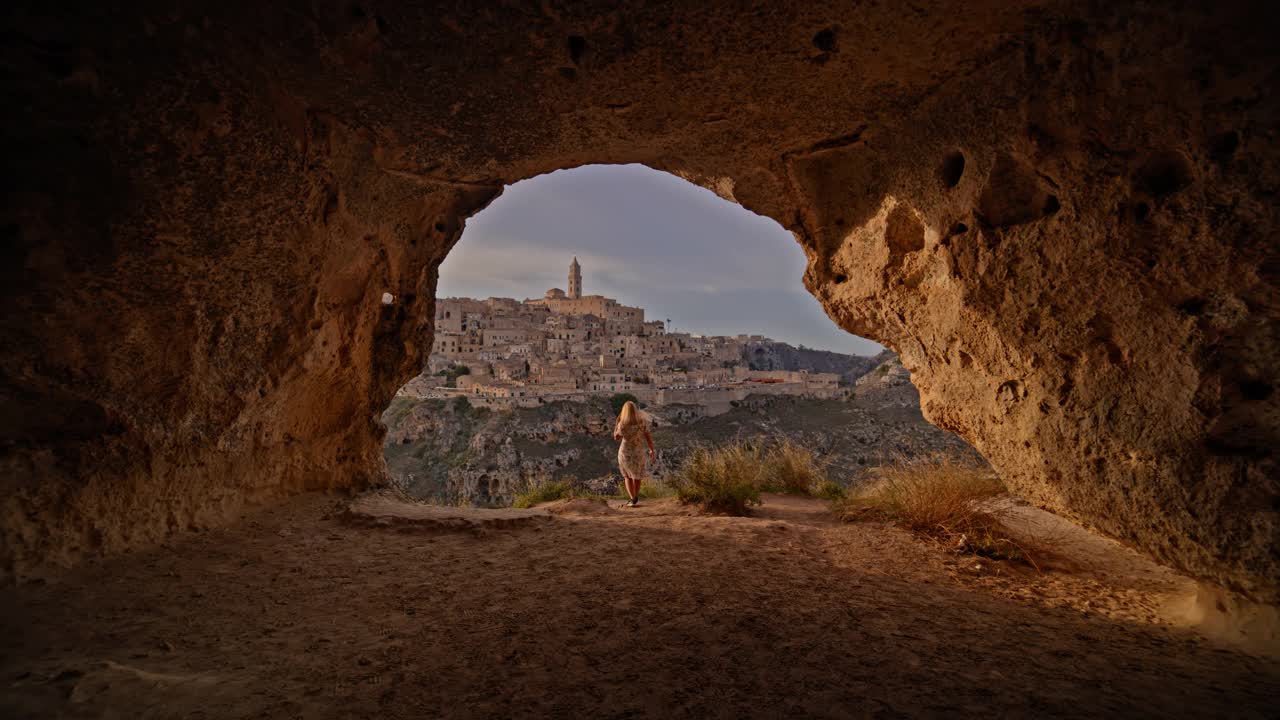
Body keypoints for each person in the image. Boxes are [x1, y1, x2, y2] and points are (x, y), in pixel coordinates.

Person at [612, 400, 655, 507]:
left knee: (627, 476)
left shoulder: (623, 424)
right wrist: (651, 449)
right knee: (637, 476)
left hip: (625, 452)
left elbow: (616, 438)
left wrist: (617, 423)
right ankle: (635, 497)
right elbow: (648, 436)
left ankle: (633, 498)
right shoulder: (642, 422)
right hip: (638, 452)